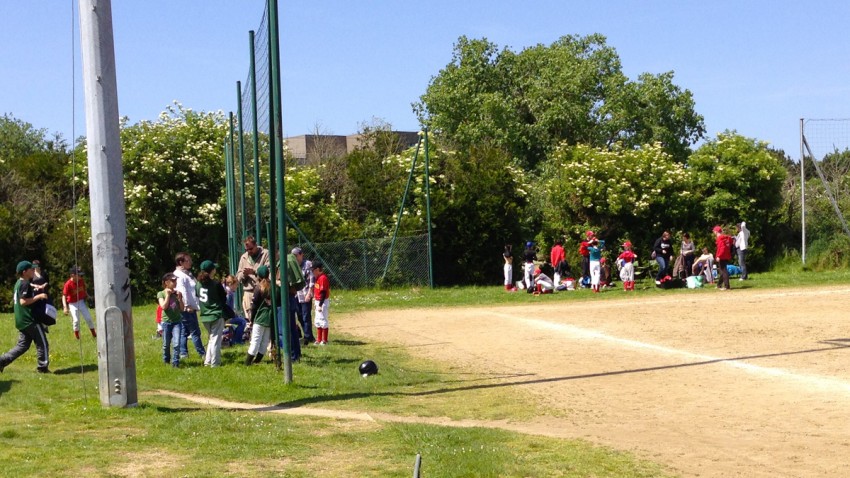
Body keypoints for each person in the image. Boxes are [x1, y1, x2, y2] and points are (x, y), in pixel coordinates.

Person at [0, 261, 51, 373]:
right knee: (42, 343)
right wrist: (39, 296)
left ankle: (2, 361)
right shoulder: (25, 284)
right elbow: (23, 302)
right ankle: (42, 367)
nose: (33, 270)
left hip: (21, 320)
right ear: (24, 272)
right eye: (31, 269)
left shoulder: (19, 282)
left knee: (22, 346)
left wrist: (36, 287)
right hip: (30, 320)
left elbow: (26, 289)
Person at [174, 252, 205, 359]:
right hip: (187, 308)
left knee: (184, 331)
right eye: (188, 260)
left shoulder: (187, 274)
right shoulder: (180, 275)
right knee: (195, 331)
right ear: (180, 262)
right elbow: (182, 291)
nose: (190, 262)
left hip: (189, 307)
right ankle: (202, 354)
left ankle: (183, 353)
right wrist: (187, 305)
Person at [196, 260, 228, 367]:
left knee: (211, 338)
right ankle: (215, 363)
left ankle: (207, 361)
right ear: (212, 271)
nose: (215, 270)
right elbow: (223, 299)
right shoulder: (216, 283)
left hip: (204, 315)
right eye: (214, 268)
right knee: (215, 340)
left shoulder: (198, 284)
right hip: (216, 314)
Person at [236, 236, 270, 323]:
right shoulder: (244, 257)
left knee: (263, 319)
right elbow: (238, 276)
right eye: (246, 249)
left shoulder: (265, 254)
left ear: (256, 245)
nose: (249, 251)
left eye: (251, 249)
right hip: (249, 292)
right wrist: (244, 274)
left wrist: (254, 272)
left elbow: (268, 271)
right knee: (251, 319)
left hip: (263, 291)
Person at [245, 265, 272, 365]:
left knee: (255, 340)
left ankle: (248, 362)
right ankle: (257, 360)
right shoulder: (274, 287)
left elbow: (254, 306)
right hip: (270, 317)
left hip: (260, 317)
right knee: (265, 341)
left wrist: (252, 320)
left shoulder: (258, 288)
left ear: (258, 277)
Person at [62, 266, 96, 340]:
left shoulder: (81, 281)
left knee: (88, 318)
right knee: (76, 320)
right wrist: (65, 307)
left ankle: (94, 334)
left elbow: (84, 290)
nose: (81, 276)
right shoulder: (68, 284)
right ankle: (77, 337)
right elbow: (64, 296)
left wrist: (89, 297)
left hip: (81, 302)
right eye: (79, 275)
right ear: (72, 275)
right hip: (72, 304)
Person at [157, 273, 183, 368]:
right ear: (166, 282)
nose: (175, 282)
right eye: (173, 281)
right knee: (166, 344)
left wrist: (180, 299)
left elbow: (182, 309)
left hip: (177, 322)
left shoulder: (177, 293)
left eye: (175, 280)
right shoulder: (161, 293)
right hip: (166, 322)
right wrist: (168, 295)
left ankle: (175, 362)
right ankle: (166, 360)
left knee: (177, 343)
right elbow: (163, 306)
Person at [292, 247, 316, 345]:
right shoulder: (293, 265)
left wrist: (310, 293)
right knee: (300, 316)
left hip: (305, 293)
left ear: (301, 255)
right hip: (297, 295)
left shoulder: (308, 264)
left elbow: (312, 279)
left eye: (296, 255)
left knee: (306, 316)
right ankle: (307, 335)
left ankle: (308, 337)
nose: (295, 258)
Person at [222, 274, 247, 345]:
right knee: (243, 322)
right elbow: (229, 309)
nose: (237, 287)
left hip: (224, 317)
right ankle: (237, 340)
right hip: (226, 318)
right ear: (231, 284)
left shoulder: (225, 291)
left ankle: (233, 337)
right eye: (236, 285)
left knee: (241, 319)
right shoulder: (229, 294)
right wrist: (235, 314)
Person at [312, 261, 331, 344]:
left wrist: (320, 304)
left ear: (317, 269)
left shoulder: (323, 278)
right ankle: (319, 339)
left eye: (313, 270)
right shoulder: (318, 278)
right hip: (318, 301)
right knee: (317, 320)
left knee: (323, 319)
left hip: (322, 302)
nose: (312, 272)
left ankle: (324, 340)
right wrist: (315, 299)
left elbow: (323, 292)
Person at [713, 226, 734, 290]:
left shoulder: (720, 238)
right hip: (726, 255)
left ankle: (727, 286)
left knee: (724, 271)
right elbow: (731, 243)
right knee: (722, 271)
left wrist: (719, 256)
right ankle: (719, 285)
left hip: (722, 256)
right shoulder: (727, 238)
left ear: (716, 231)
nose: (714, 232)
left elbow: (722, 248)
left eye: (714, 231)